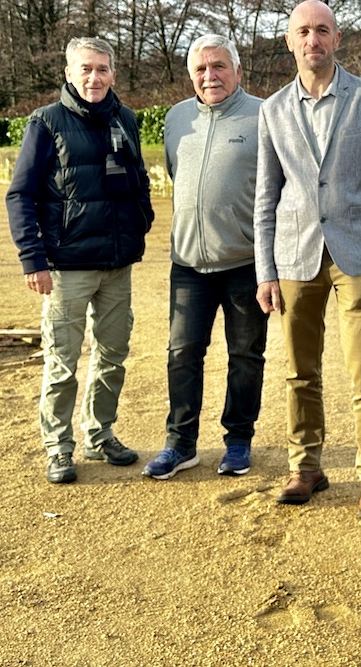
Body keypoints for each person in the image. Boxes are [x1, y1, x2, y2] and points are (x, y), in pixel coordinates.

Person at [254, 0, 361, 521]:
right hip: (293, 255)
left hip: (355, 250)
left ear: (337, 39)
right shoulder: (272, 110)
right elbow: (266, 194)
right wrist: (264, 269)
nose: (312, 39)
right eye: (302, 32)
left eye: (322, 30)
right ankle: (305, 466)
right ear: (289, 42)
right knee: (298, 371)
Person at [7, 36, 154, 484]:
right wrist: (33, 259)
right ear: (69, 73)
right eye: (85, 69)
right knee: (63, 361)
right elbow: (21, 195)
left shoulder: (125, 119)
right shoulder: (45, 123)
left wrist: (139, 224)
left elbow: (139, 181)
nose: (94, 77)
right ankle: (58, 446)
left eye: (103, 69)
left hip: (117, 265)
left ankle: (100, 433)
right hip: (67, 266)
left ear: (114, 73)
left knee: (113, 354)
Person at [141, 35, 269, 481]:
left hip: (247, 264)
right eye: (200, 69)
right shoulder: (176, 119)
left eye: (218, 66)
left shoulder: (263, 115)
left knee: (246, 355)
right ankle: (181, 443)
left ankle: (238, 440)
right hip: (189, 265)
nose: (209, 76)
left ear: (237, 71)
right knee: (182, 353)